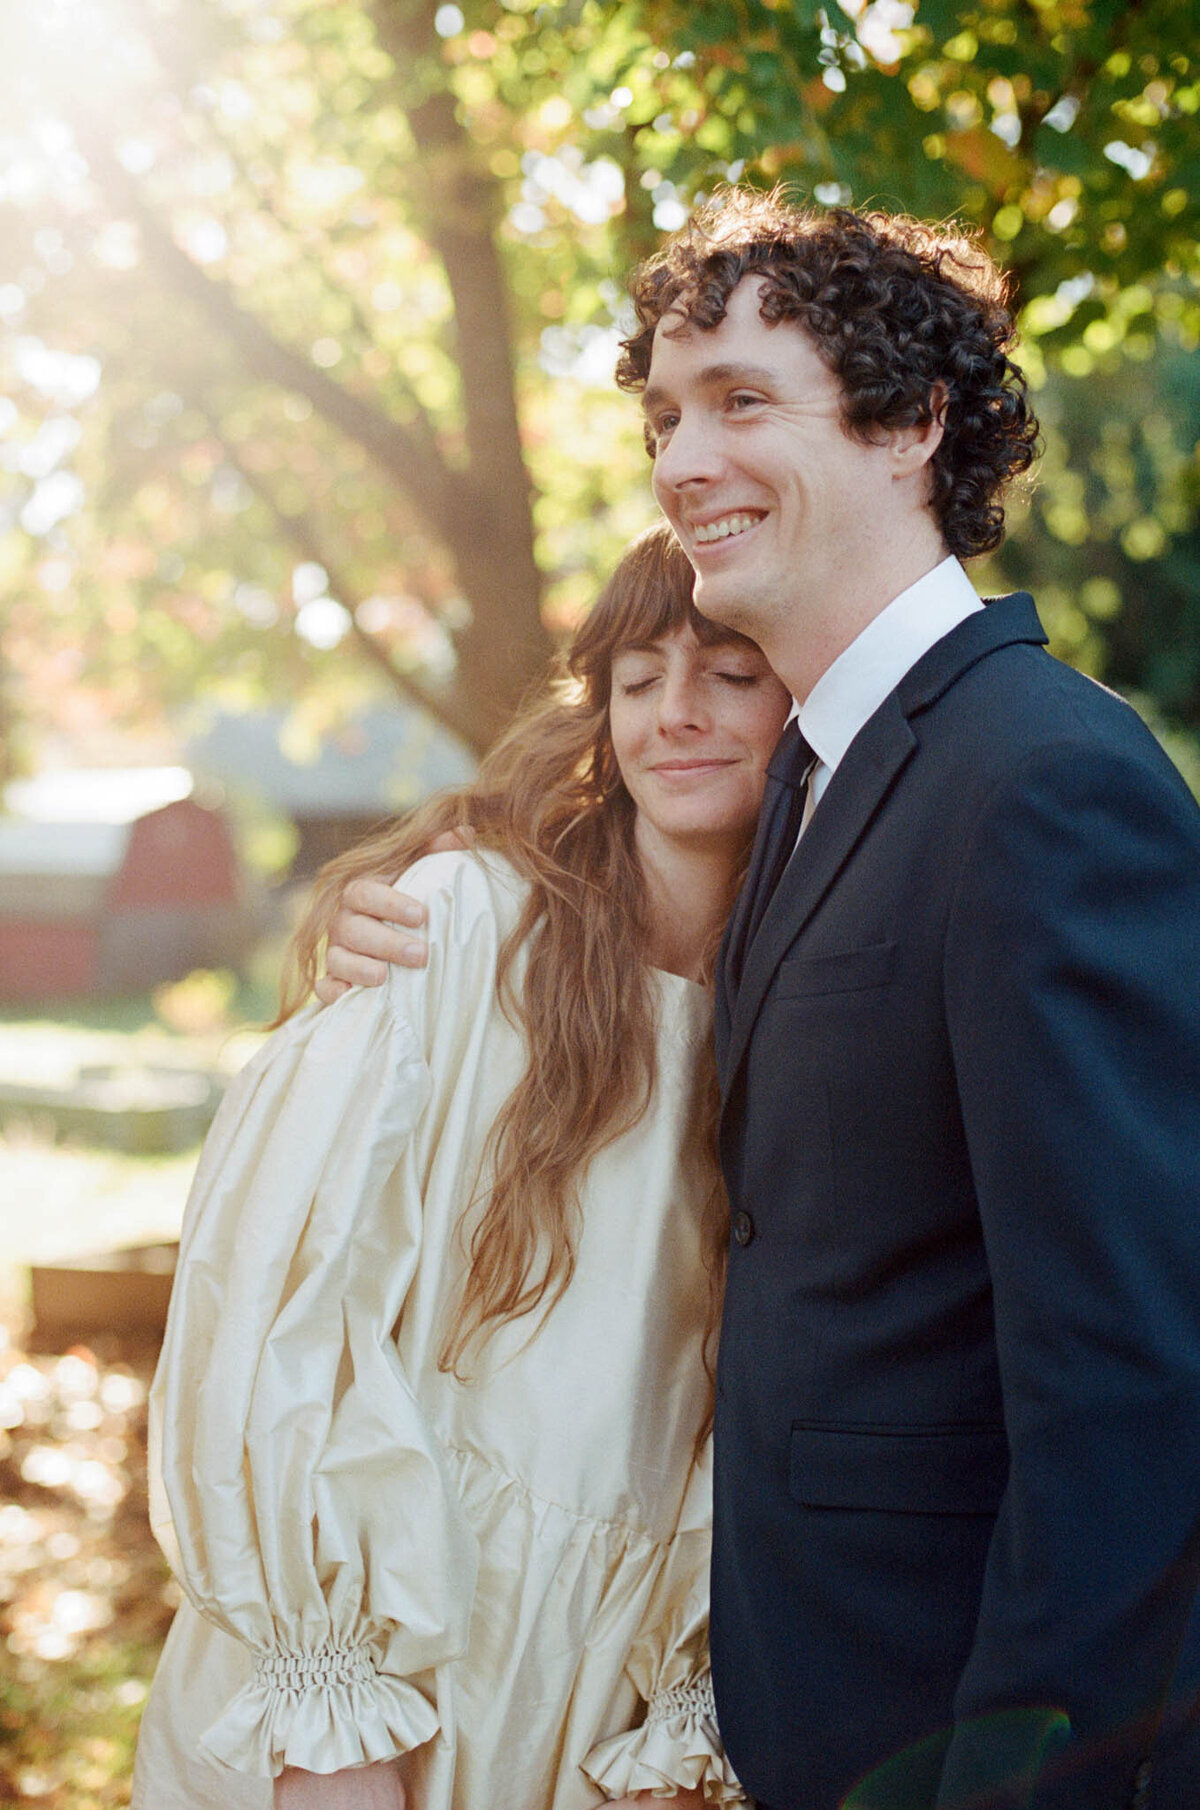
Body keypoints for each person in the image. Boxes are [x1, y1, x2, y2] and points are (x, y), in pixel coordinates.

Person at [322, 191, 1200, 1810]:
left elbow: (1130, 1383)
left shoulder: (1045, 783)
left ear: (913, 424)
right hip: (776, 1716)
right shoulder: (809, 775)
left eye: (740, 399)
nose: (680, 459)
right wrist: (398, 919)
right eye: (665, 412)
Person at [131, 521, 792, 1810]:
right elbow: (283, 1296)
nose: (676, 716)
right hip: (375, 1673)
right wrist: (334, 1715)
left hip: (597, 1697)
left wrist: (685, 1721)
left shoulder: (805, 1012)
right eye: (638, 678)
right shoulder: (462, 926)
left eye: (729, 672)